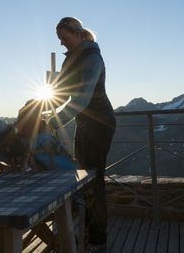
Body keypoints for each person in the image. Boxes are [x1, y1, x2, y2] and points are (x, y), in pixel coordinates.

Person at [47, 17, 116, 252]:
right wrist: (46, 106)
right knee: (83, 177)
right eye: (60, 40)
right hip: (85, 122)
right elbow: (62, 93)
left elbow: (81, 98)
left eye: (65, 38)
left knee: (94, 179)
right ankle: (87, 230)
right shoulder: (72, 59)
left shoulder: (92, 58)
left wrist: (52, 123)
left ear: (77, 34)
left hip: (100, 123)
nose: (63, 44)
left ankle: (98, 239)